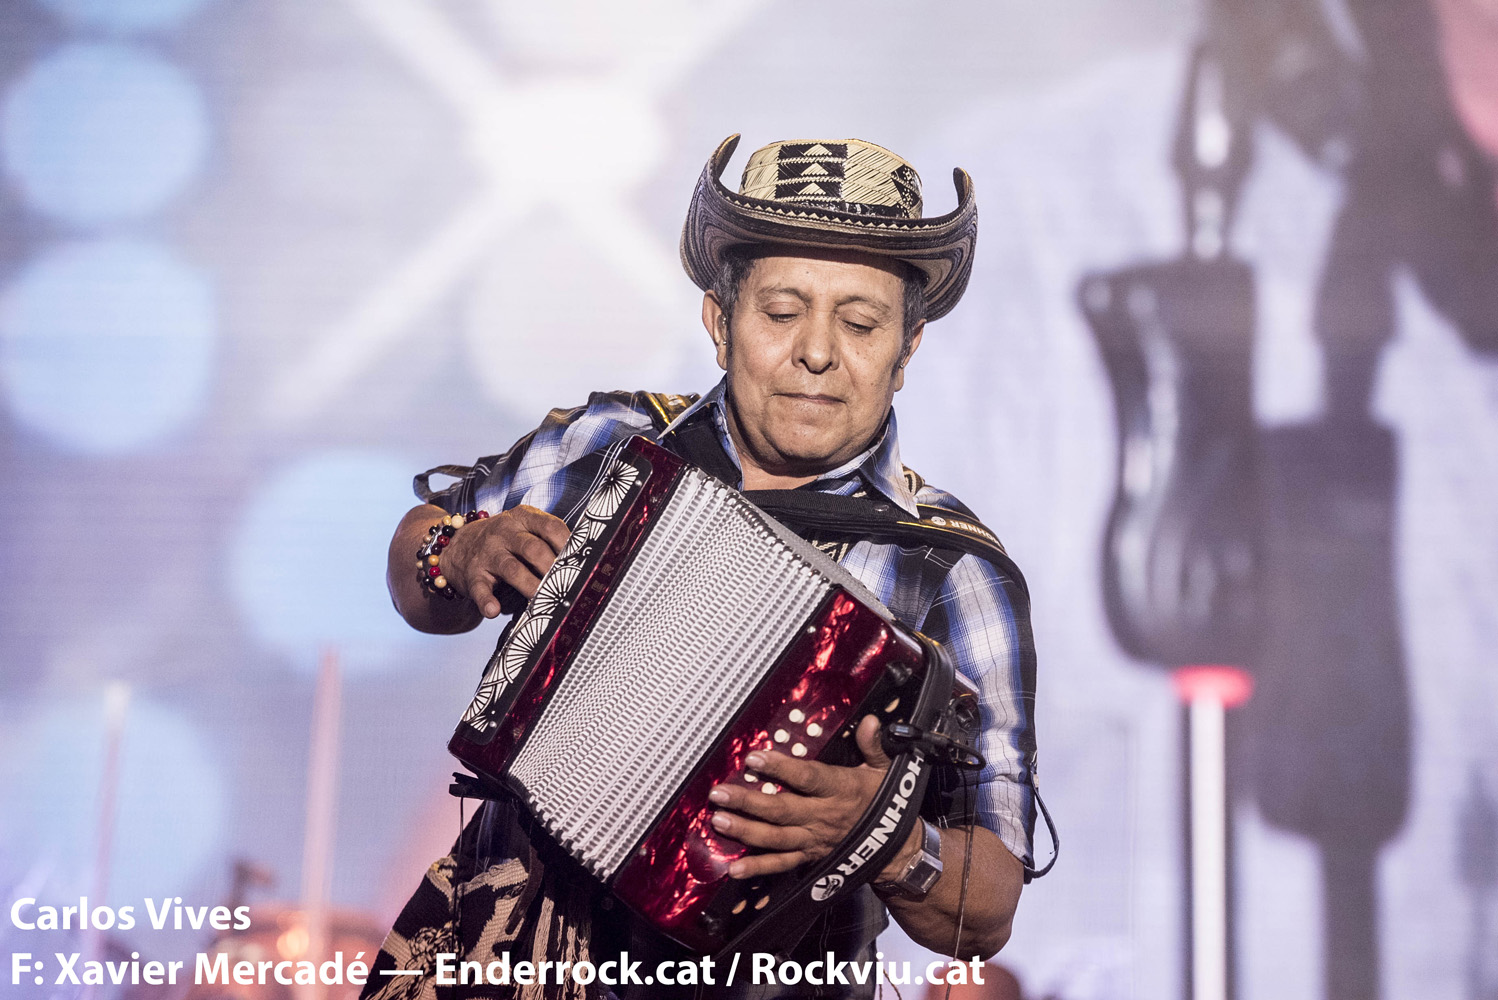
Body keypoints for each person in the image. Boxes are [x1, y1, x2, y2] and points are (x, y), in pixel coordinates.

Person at [368, 135, 1042, 1000]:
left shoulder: (952, 571)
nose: (817, 352)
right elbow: (415, 567)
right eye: (782, 311)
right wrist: (454, 551)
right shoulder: (607, 443)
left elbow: (988, 910)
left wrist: (885, 836)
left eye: (860, 323)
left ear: (908, 350)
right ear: (720, 323)